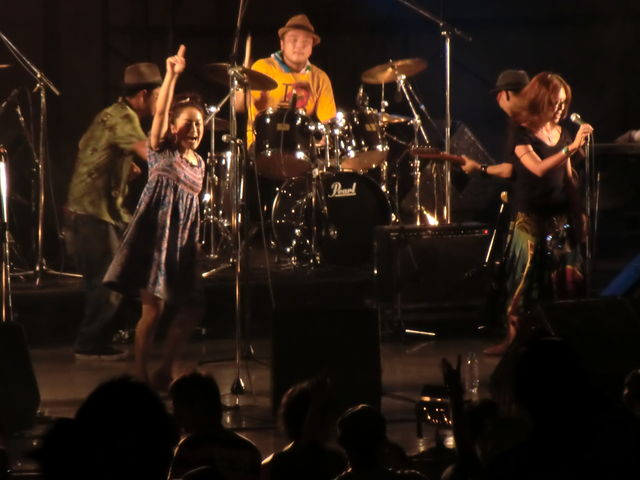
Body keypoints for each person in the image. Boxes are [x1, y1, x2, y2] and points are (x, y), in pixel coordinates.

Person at [104, 45, 205, 389]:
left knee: (191, 309)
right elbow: (160, 113)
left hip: (183, 245)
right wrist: (172, 75)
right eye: (187, 123)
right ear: (173, 128)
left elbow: (191, 211)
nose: (194, 129)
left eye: (199, 124)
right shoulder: (162, 150)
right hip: (156, 240)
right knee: (154, 310)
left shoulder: (200, 164)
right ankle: (141, 375)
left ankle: (165, 368)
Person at [483, 72, 593, 355]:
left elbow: (568, 178)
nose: (560, 108)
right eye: (555, 102)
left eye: (563, 103)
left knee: (567, 278)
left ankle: (563, 340)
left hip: (559, 216)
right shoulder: (522, 132)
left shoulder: (561, 132)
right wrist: (572, 147)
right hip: (530, 217)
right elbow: (539, 169)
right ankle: (514, 342)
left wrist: (579, 212)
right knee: (524, 280)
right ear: (541, 99)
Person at [66, 62, 162, 360]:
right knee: (108, 282)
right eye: (159, 96)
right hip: (92, 211)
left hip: (92, 210)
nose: (160, 103)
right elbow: (151, 154)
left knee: (121, 273)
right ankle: (88, 345)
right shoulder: (125, 118)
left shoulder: (110, 113)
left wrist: (119, 166)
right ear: (144, 95)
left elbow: (85, 144)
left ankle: (104, 337)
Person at [168, 372, 261, 480]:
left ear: (197, 408)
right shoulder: (249, 450)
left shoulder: (189, 449)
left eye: (178, 407)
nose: (175, 414)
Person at [461, 69, 530, 178]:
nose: (498, 98)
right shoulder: (542, 119)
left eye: (499, 94)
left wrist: (477, 167)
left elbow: (507, 170)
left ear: (505, 94)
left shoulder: (518, 126)